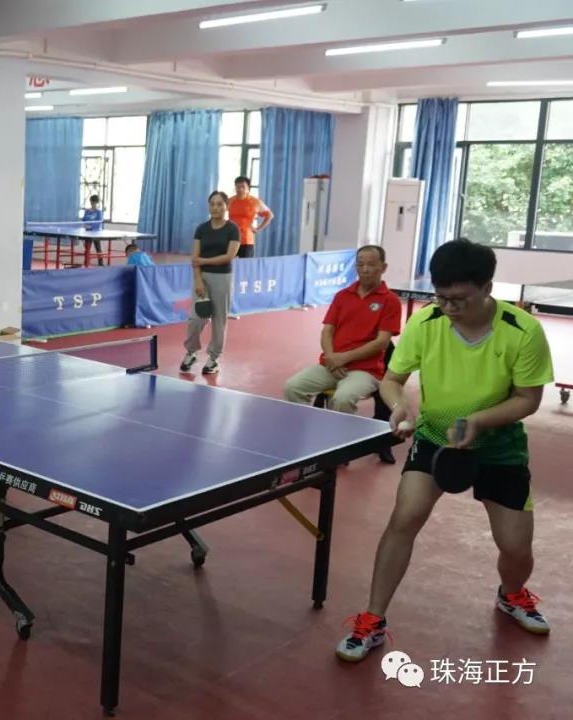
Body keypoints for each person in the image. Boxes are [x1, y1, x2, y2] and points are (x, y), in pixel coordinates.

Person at [336, 239, 555, 663]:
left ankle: (512, 594)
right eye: (442, 297)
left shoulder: (523, 330)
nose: (449, 308)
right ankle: (372, 619)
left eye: (460, 299)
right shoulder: (426, 321)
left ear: (487, 288)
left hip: (500, 447)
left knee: (515, 547)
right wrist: (399, 405)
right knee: (404, 518)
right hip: (435, 438)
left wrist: (479, 421)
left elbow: (528, 399)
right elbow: (392, 379)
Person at [283, 245, 401, 463]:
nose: (365, 269)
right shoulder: (342, 296)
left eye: (371, 265)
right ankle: (303, 437)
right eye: (360, 264)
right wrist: (331, 358)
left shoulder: (390, 300)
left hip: (366, 371)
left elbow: (381, 342)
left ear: (383, 268)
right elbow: (327, 331)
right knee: (293, 387)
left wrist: (343, 358)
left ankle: (340, 448)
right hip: (331, 365)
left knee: (343, 398)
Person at [180, 191, 239, 375]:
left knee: (219, 320)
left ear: (226, 206)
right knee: (195, 319)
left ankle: (213, 358)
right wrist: (198, 280)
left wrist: (204, 261)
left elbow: (229, 256)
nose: (215, 207)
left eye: (220, 204)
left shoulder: (232, 229)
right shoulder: (201, 229)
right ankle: (191, 352)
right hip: (202, 278)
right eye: (212, 204)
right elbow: (195, 257)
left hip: (222, 278)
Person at [227, 176, 272, 259]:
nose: (240, 189)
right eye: (238, 187)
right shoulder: (229, 201)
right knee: (228, 264)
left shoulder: (255, 202)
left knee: (247, 265)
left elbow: (269, 215)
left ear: (248, 188)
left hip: (247, 241)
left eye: (243, 187)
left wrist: (258, 228)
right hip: (231, 239)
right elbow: (219, 214)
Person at [82, 194, 105, 266]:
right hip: (87, 233)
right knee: (87, 249)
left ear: (97, 203)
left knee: (98, 248)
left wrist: (91, 227)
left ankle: (101, 264)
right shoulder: (87, 211)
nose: (93, 203)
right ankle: (86, 263)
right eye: (92, 202)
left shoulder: (99, 212)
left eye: (94, 202)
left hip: (96, 233)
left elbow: (99, 222)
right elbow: (84, 220)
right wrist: (84, 224)